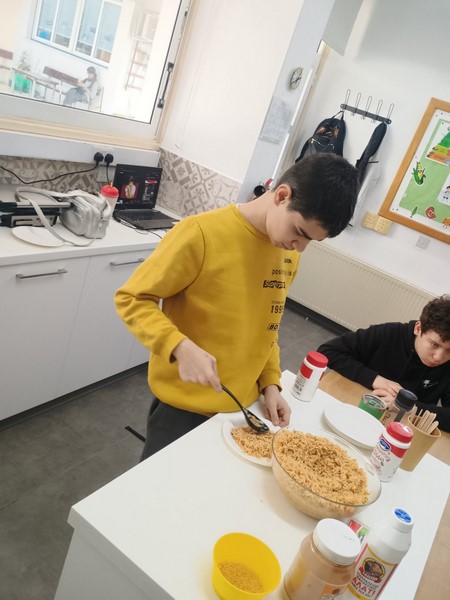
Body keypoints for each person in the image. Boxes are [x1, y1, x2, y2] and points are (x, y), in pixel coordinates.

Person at [115, 153, 360, 459]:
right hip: (182, 409)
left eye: (312, 241)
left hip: (243, 410)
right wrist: (178, 346)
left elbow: (267, 326)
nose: (300, 248)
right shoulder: (201, 233)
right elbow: (132, 298)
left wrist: (270, 384)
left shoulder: (288, 254)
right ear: (282, 196)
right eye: (300, 232)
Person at [317, 295, 450, 432]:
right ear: (418, 328)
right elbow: (328, 351)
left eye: (449, 350)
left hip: (404, 430)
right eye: (434, 344)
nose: (438, 357)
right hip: (355, 409)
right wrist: (374, 379)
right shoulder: (388, 333)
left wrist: (411, 408)